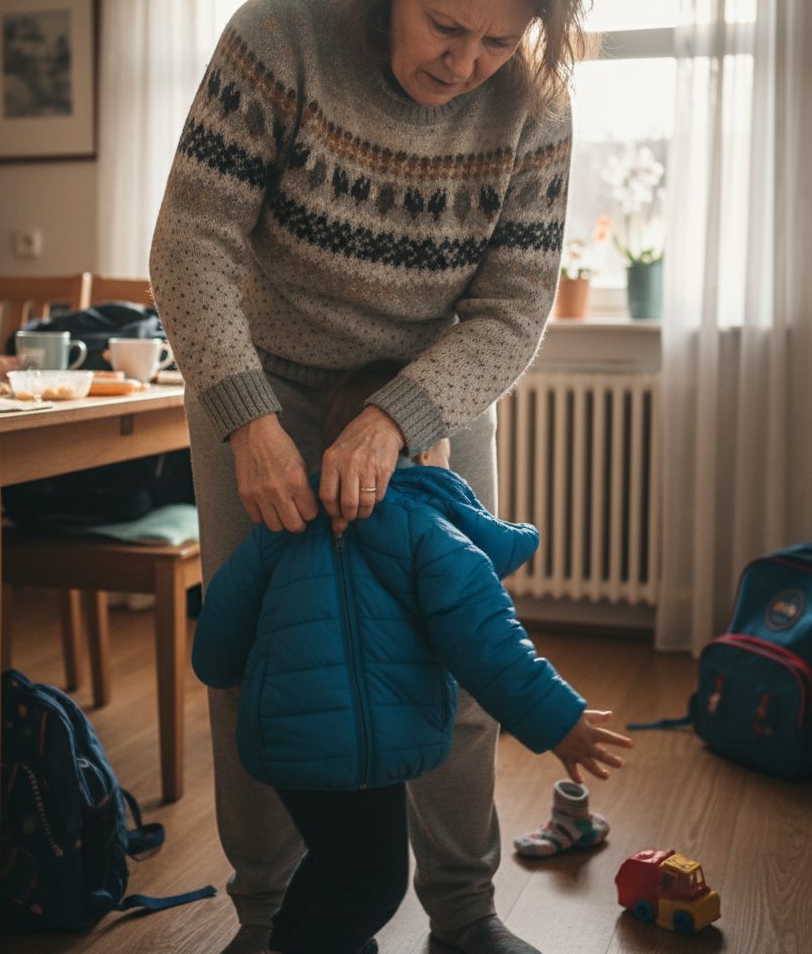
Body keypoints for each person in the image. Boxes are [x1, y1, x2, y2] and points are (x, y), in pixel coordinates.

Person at [149, 0, 592, 951]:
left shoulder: (535, 105)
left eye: (498, 39)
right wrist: (247, 419)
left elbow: (515, 305)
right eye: (445, 26)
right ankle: (267, 912)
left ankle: (464, 909)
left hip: (429, 389)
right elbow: (193, 241)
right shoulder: (281, 34)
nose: (465, 61)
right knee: (260, 652)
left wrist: (400, 416)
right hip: (264, 376)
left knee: (459, 635)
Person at [191, 362, 632, 954]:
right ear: (423, 457)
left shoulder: (284, 525)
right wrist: (559, 722)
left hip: (283, 746)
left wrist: (222, 673)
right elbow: (492, 643)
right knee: (372, 884)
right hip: (368, 749)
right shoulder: (431, 530)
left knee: (329, 867)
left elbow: (221, 622)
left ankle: (290, 940)